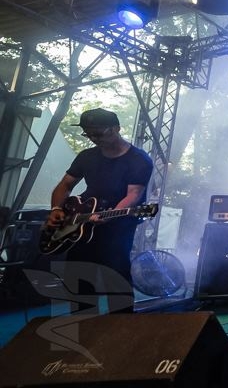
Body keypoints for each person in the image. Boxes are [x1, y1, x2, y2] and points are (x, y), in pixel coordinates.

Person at [47, 108, 154, 313]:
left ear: (116, 129)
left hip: (118, 224)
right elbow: (65, 185)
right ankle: (84, 321)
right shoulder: (86, 156)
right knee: (78, 276)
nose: (94, 139)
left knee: (115, 276)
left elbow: (133, 195)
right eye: (88, 134)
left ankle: (122, 324)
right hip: (83, 221)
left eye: (98, 133)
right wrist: (56, 209)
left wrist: (111, 215)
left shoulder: (138, 159)